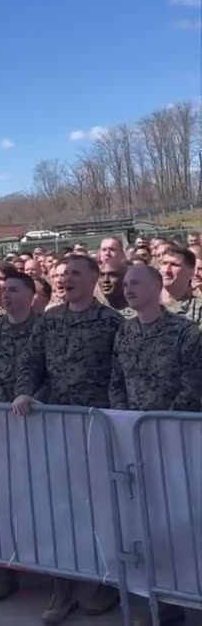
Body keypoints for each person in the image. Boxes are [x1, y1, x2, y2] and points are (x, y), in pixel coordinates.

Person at [12, 255, 123, 623]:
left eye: (76, 273)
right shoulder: (48, 321)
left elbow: (119, 375)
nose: (66, 279)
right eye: (61, 274)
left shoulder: (111, 322)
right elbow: (30, 363)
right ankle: (64, 588)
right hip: (56, 428)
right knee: (59, 509)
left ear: (93, 279)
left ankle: (102, 582)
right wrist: (25, 392)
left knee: (101, 509)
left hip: (97, 429)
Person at [109, 263, 202, 626]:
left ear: (156, 286)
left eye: (136, 283)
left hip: (175, 439)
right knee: (146, 526)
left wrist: (158, 425)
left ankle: (190, 601)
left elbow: (194, 384)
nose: (128, 288)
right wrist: (125, 421)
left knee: (185, 525)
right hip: (134, 440)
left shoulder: (185, 332)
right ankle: (157, 599)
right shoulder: (125, 333)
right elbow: (116, 380)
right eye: (126, 283)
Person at [0, 271, 37, 602]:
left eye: (13, 290)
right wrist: (4, 408)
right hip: (3, 425)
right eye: (2, 290)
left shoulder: (44, 328)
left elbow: (48, 370)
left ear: (31, 294)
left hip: (40, 421)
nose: (5, 295)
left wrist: (32, 402)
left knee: (45, 503)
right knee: (4, 502)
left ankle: (60, 582)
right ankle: (7, 569)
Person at [160, 247, 202, 327]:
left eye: (174, 265)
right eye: (164, 263)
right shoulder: (143, 302)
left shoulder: (198, 309)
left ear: (191, 272)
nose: (166, 270)